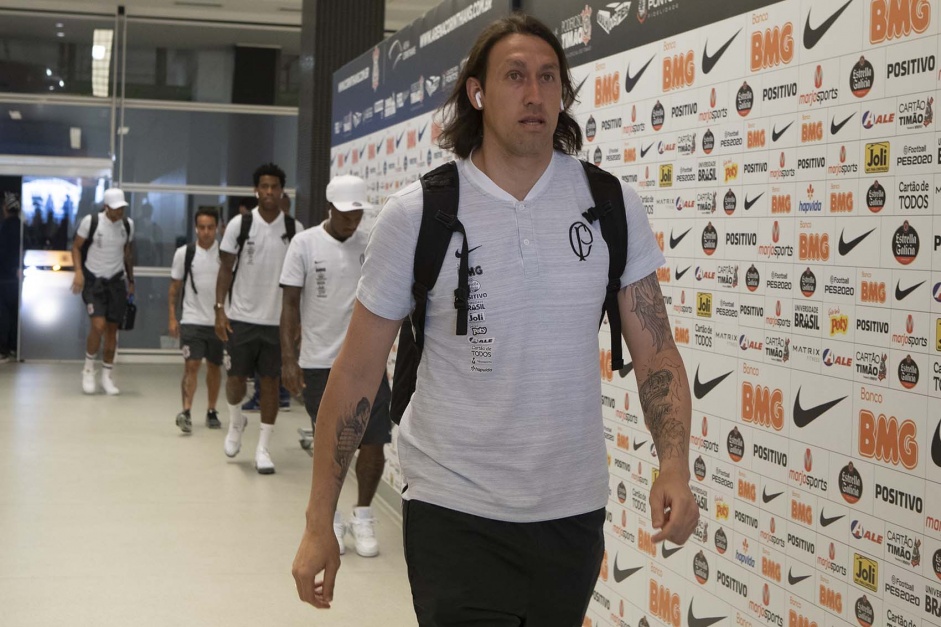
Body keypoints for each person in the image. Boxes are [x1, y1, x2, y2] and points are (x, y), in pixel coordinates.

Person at [291, 13, 699, 625]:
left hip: (571, 512)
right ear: (477, 94)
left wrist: (673, 464)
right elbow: (355, 375)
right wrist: (319, 520)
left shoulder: (608, 203)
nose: (534, 94)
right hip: (454, 510)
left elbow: (657, 352)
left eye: (547, 78)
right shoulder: (418, 213)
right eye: (514, 77)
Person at [280, 175, 389, 557]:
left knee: (375, 441)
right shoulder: (304, 244)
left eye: (358, 213)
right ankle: (334, 518)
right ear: (330, 207)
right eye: (346, 214)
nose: (353, 220)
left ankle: (363, 513)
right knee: (330, 445)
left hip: (368, 359)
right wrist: (289, 360)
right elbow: (290, 306)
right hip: (318, 361)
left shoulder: (372, 239)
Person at [215, 163, 303, 475]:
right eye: (263, 187)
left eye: (274, 187)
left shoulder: (295, 230)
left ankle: (263, 447)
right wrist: (219, 309)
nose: (269, 192)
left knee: (270, 384)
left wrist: (298, 322)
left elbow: (299, 282)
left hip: (277, 323)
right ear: (257, 190)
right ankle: (236, 420)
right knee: (236, 382)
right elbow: (226, 268)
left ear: (282, 191)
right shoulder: (241, 224)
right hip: (241, 317)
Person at [71, 188, 135, 395]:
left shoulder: (128, 225)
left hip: (116, 282)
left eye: (122, 208)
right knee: (98, 325)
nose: (119, 212)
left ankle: (107, 375)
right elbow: (76, 247)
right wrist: (78, 272)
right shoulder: (91, 222)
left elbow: (127, 253)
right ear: (106, 207)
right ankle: (88, 369)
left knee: (112, 332)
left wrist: (131, 280)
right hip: (94, 282)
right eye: (115, 209)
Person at [168, 207, 224, 433]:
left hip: (217, 321)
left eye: (210, 227)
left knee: (214, 366)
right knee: (191, 365)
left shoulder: (226, 253)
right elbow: (174, 288)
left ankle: (211, 410)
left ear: (218, 228)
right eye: (202, 227)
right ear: (195, 228)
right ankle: (186, 411)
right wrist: (173, 317)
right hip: (192, 318)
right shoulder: (185, 253)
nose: (206, 232)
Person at [0, 192, 22, 363]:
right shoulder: (22, 228)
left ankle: (3, 350)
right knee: (16, 314)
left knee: (3, 315)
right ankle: (16, 347)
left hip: (4, 278)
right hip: (18, 279)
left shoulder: (3, 228)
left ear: (5, 208)